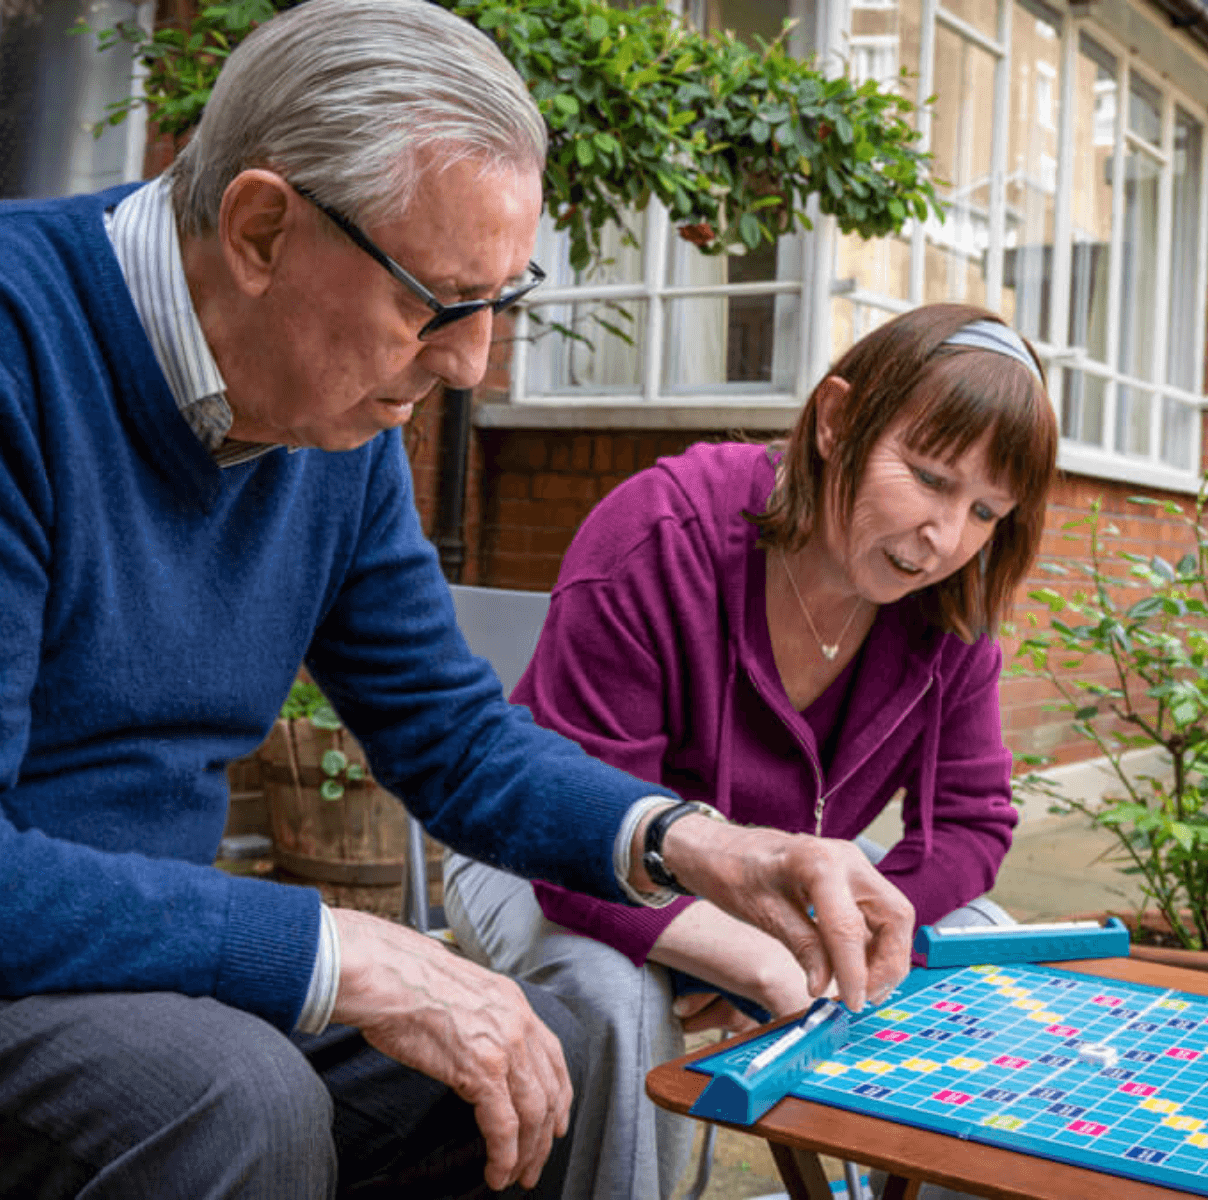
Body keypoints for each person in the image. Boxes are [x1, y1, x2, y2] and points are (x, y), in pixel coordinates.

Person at [0, 2, 917, 1196]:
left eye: (502, 301)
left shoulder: (329, 418)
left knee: (565, 1041)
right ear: (262, 228)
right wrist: (337, 951)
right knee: (240, 1091)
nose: (470, 362)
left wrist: (695, 843)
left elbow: (448, 735)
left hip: (149, 967)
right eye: (436, 299)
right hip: (36, 972)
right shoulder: (23, 342)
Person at [443, 302, 1060, 1198]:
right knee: (617, 997)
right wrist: (747, 948)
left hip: (777, 891)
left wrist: (834, 928)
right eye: (928, 477)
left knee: (982, 943)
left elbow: (971, 824)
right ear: (837, 419)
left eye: (986, 511)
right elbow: (571, 836)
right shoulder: (662, 532)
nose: (946, 538)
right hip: (548, 850)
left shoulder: (951, 603)